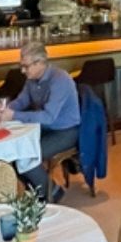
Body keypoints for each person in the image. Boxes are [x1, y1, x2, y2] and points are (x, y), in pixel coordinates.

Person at [6, 41, 81, 201]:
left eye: (25, 66)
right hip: (44, 128)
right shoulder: (31, 79)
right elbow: (22, 101)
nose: (22, 70)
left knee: (26, 156)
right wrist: (6, 108)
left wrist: (13, 115)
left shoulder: (60, 80)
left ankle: (52, 192)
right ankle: (39, 190)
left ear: (40, 63)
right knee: (12, 151)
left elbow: (49, 117)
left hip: (66, 130)